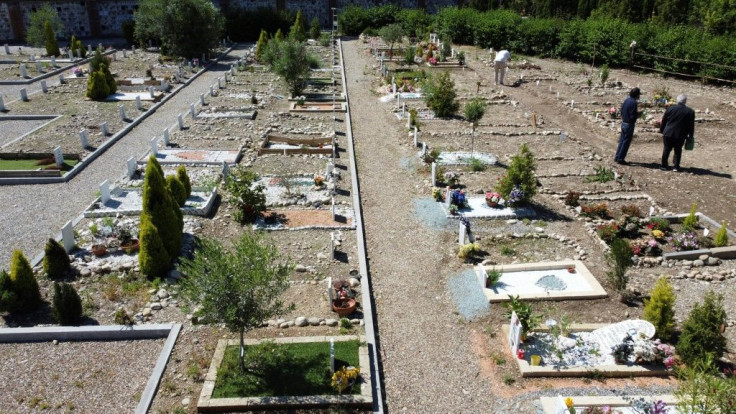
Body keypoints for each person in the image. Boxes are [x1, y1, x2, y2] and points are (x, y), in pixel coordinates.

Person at [660, 94, 695, 172]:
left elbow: (664, 120)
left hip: (668, 132)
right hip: (680, 134)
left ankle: (664, 165)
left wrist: (662, 130)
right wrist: (691, 135)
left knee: (666, 149)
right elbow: (691, 125)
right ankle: (676, 166)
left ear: (677, 100)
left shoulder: (670, 108)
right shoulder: (690, 111)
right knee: (678, 150)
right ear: (685, 101)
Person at [614, 87, 641, 165]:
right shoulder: (634, 102)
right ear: (636, 95)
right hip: (629, 124)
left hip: (624, 122)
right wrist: (638, 115)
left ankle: (617, 156)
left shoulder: (627, 100)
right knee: (626, 142)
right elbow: (632, 115)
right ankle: (621, 159)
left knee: (622, 141)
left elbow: (622, 110)